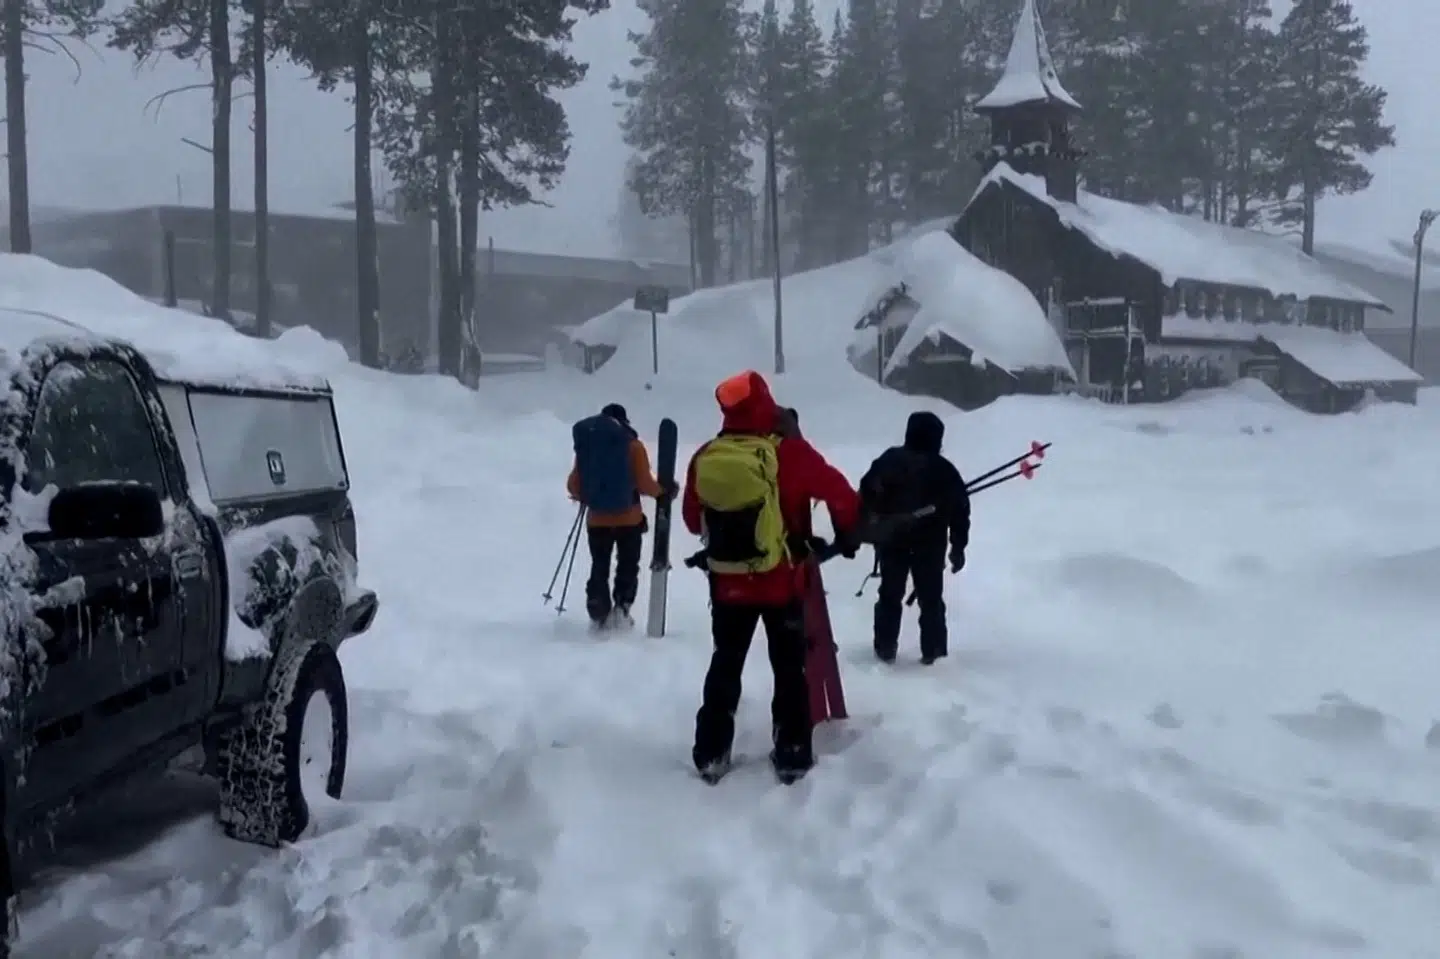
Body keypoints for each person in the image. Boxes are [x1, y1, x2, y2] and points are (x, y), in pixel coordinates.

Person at [682, 371, 861, 783]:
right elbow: (841, 494)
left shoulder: (708, 455)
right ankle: (793, 752)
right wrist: (846, 531)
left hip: (727, 584)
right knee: (789, 666)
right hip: (782, 582)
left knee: (725, 663)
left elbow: (694, 522)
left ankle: (711, 751)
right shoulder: (791, 454)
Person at [858, 410, 969, 665]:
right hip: (930, 547)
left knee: (889, 596)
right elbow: (960, 509)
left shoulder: (888, 460)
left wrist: (869, 527)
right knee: (931, 601)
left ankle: (884, 650)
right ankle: (935, 655)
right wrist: (958, 547)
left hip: (892, 542)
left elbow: (866, 494)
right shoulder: (944, 469)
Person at [567, 403, 669, 628]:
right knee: (627, 564)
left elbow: (574, 484)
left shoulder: (589, 447)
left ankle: (597, 605)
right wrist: (664, 492)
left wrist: (588, 496)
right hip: (629, 519)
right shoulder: (633, 446)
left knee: (599, 563)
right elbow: (644, 483)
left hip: (597, 520)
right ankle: (622, 607)